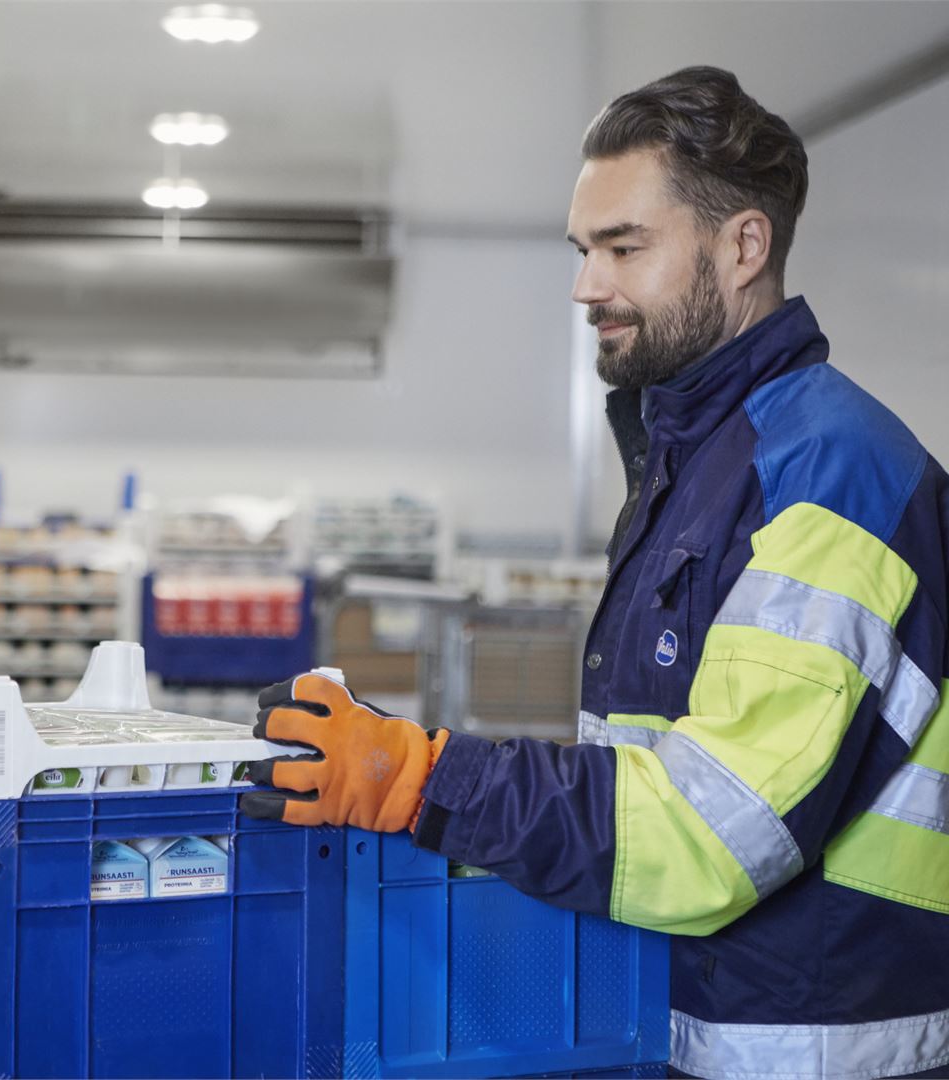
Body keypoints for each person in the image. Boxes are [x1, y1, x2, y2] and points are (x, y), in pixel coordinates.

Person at [241, 66, 949, 1080]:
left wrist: (422, 777)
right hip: (676, 1024)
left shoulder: (832, 475)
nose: (586, 286)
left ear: (743, 246)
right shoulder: (696, 459)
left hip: (816, 1053)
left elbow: (714, 826)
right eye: (584, 251)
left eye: (624, 248)